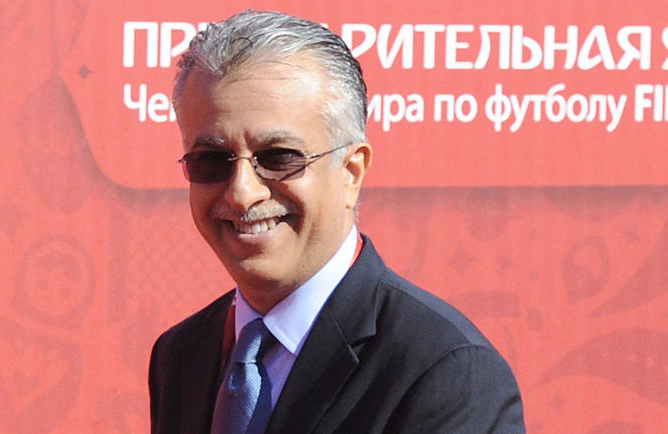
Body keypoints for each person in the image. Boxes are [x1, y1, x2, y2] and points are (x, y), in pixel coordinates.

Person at [149, 9, 526, 434]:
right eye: (212, 160)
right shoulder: (181, 355)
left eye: (279, 157)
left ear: (351, 172)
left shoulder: (448, 374)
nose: (242, 192)